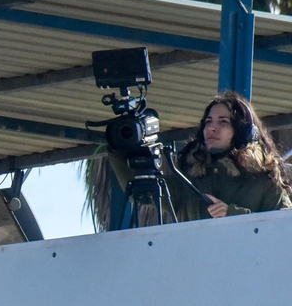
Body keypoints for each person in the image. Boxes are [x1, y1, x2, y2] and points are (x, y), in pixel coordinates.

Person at [113, 90, 291, 222]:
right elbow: (140, 190)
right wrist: (117, 145)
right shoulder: (187, 181)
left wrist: (233, 215)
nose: (212, 128)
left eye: (223, 122)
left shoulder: (265, 181)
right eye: (208, 121)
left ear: (245, 133)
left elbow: (284, 229)